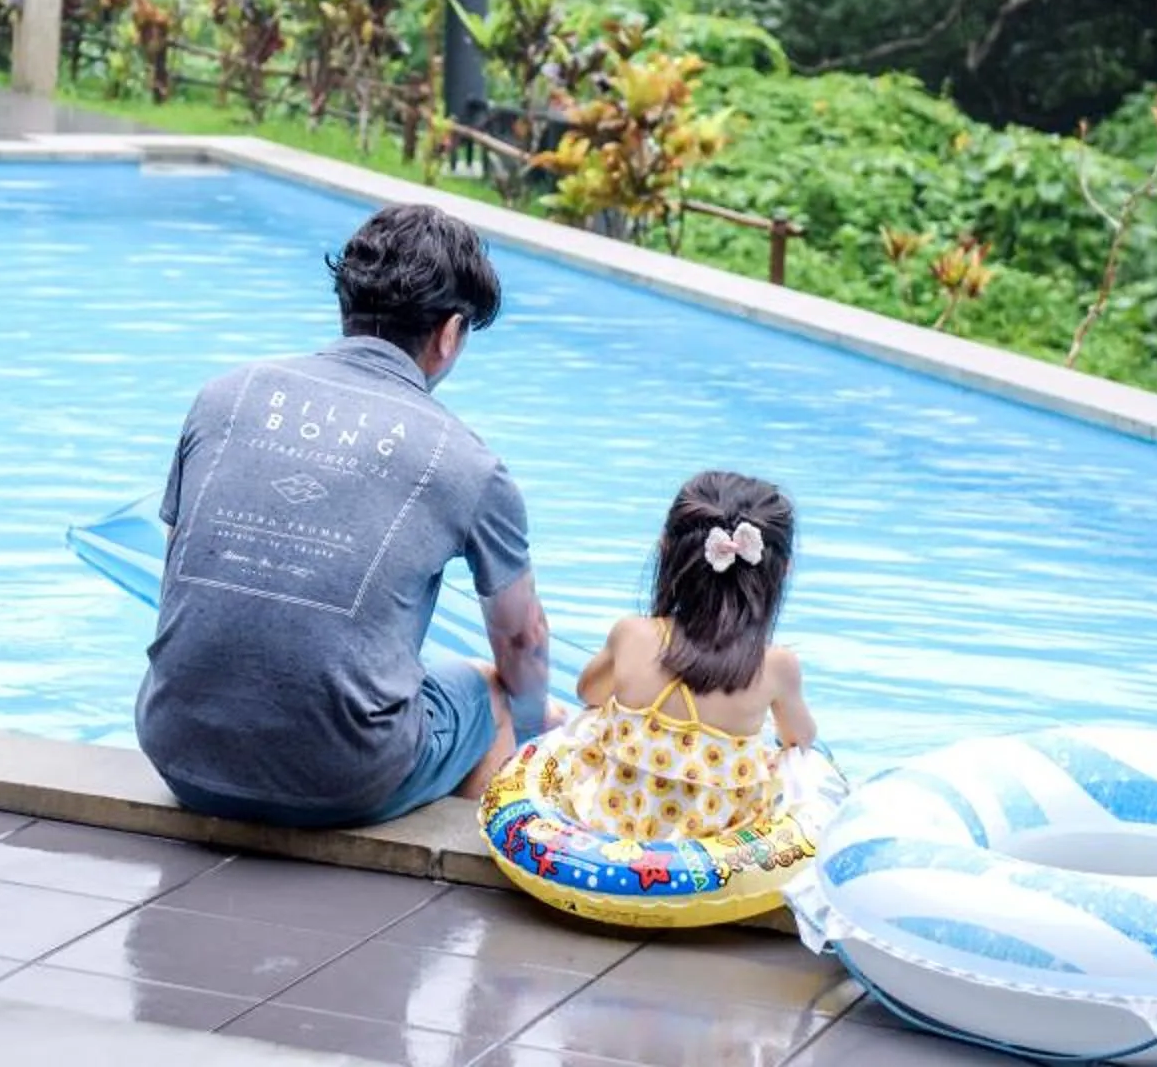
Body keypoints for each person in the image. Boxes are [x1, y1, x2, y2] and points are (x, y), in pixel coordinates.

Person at [135, 203, 554, 828]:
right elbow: (522, 641)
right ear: (449, 333)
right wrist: (535, 726)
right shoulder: (466, 462)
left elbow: (181, 571)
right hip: (344, 778)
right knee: (492, 695)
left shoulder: (224, 396)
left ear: (347, 306)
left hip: (176, 750)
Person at [554, 470, 815, 841]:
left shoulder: (632, 634)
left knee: (587, 723)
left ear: (665, 549)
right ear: (782, 571)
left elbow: (589, 695)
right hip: (715, 848)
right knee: (798, 768)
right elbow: (799, 738)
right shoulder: (776, 666)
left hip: (614, 829)